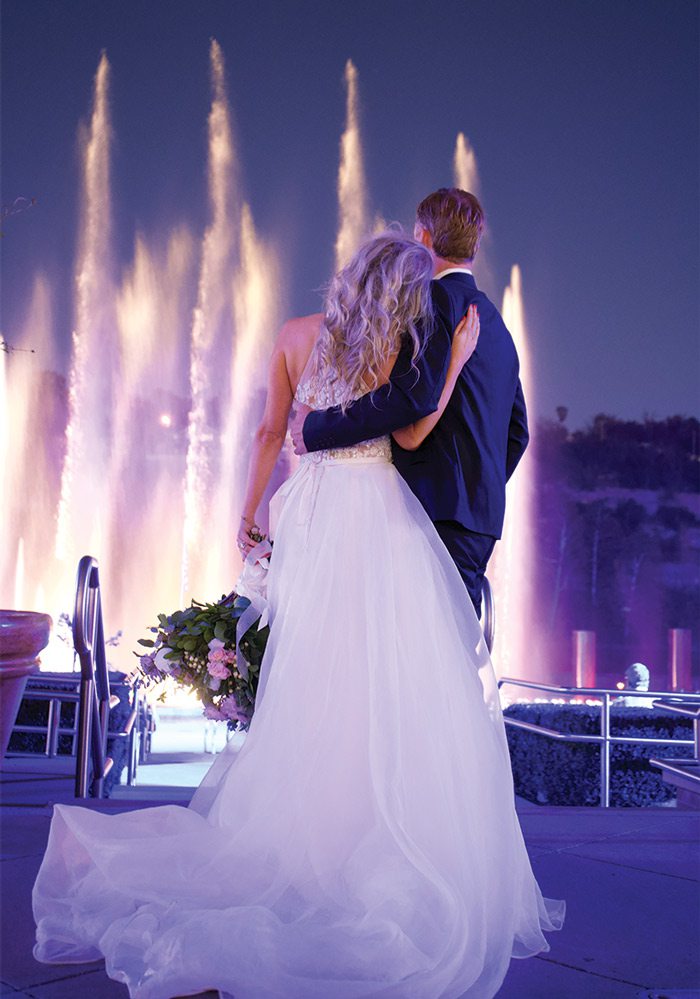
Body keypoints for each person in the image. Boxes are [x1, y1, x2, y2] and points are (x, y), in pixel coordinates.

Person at [33, 232, 563, 999]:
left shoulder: (292, 336)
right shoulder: (398, 343)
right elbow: (412, 428)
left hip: (311, 509)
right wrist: (447, 367)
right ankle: (369, 830)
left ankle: (301, 832)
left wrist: (253, 511)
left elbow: (270, 433)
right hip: (378, 515)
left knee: (308, 671)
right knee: (382, 675)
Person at [291, 188, 529, 619]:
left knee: (425, 647)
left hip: (434, 511)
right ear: (475, 245)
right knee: (453, 650)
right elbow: (518, 432)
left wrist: (315, 430)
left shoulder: (435, 301)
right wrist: (477, 485)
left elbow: (410, 397)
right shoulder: (497, 324)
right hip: (480, 518)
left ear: (422, 235)